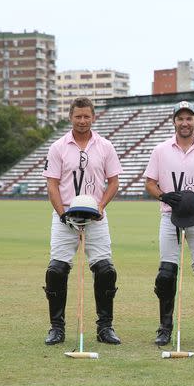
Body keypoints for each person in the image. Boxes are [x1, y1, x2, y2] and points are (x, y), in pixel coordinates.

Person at [41, 97, 122, 346]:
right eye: (78, 116)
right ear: (70, 117)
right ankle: (57, 327)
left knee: (106, 271)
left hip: (96, 219)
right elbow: (52, 184)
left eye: (87, 116)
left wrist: (99, 206)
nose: (83, 120)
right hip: (65, 217)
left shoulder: (105, 146)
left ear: (93, 117)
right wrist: (61, 213)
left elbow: (114, 182)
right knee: (56, 271)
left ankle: (105, 327)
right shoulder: (58, 147)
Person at [144, 101, 194, 346]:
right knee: (166, 274)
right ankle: (165, 327)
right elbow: (150, 182)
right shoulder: (160, 150)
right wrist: (162, 195)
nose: (185, 122)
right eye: (180, 118)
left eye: (189, 118)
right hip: (169, 218)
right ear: (174, 122)